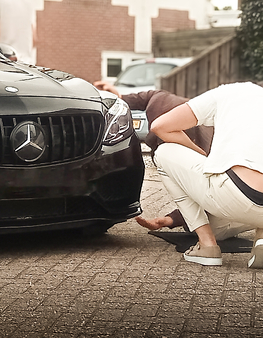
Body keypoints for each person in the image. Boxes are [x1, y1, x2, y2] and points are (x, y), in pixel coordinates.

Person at [93, 81, 253, 241]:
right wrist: (118, 95)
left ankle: (218, 238)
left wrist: (171, 220)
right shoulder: (161, 99)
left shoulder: (207, 144)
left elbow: (204, 200)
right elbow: (142, 98)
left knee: (212, 229)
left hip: (238, 197)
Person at [150, 82, 263, 267]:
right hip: (249, 205)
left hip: (234, 196)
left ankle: (207, 245)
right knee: (219, 226)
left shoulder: (227, 93)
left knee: (164, 153)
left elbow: (160, 126)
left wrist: (201, 155)